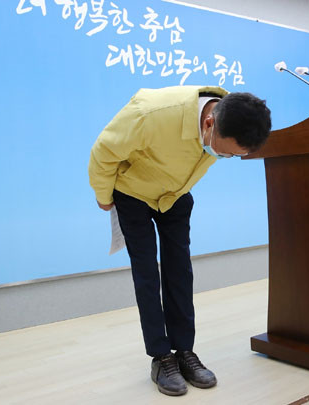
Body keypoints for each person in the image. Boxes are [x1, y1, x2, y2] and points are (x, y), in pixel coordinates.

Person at [88, 85, 271, 396]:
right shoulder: (150, 114)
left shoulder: (233, 117)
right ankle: (161, 358)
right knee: (147, 274)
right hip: (133, 194)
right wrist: (104, 197)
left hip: (174, 195)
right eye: (225, 152)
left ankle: (184, 351)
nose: (224, 157)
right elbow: (103, 152)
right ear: (209, 123)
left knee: (180, 272)